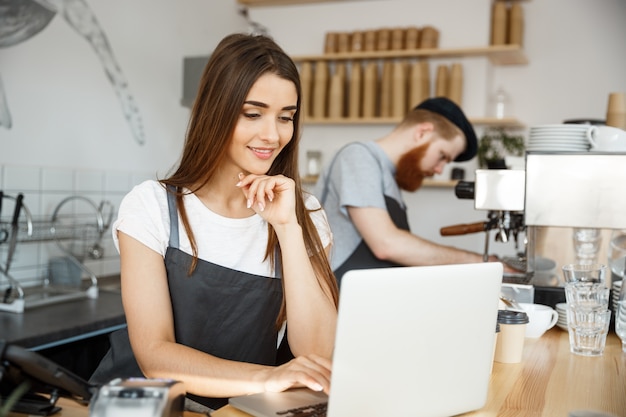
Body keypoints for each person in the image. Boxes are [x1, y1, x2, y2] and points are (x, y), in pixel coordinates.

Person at [89, 33, 339, 412]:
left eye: (286, 117)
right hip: (137, 408)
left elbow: (319, 355)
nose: (272, 135)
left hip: (235, 410)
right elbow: (155, 358)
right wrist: (268, 377)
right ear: (216, 111)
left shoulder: (304, 215)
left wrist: (288, 230)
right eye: (252, 114)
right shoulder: (152, 206)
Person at [313, 97, 509, 286]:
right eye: (442, 156)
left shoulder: (389, 177)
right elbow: (386, 244)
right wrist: (480, 262)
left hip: (369, 296)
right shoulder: (358, 156)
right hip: (337, 299)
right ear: (423, 132)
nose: (440, 169)